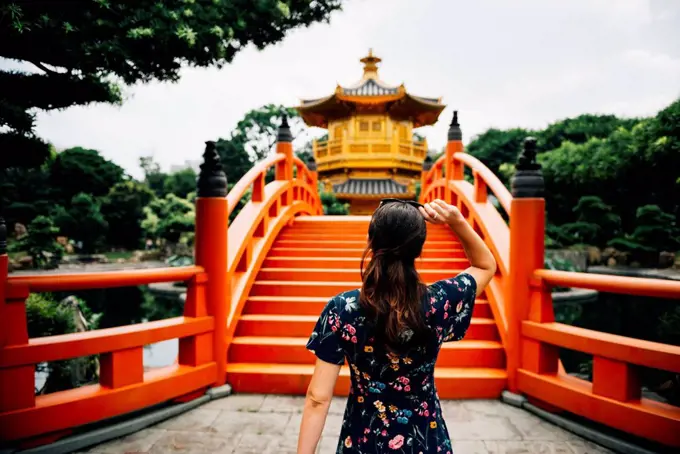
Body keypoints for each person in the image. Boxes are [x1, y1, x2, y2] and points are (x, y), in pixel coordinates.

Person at [297, 198, 497, 453]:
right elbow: (485, 265)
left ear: (372, 241)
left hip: (363, 441)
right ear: (419, 247)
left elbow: (318, 398)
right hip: (425, 439)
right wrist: (457, 222)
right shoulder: (440, 301)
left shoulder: (342, 308)